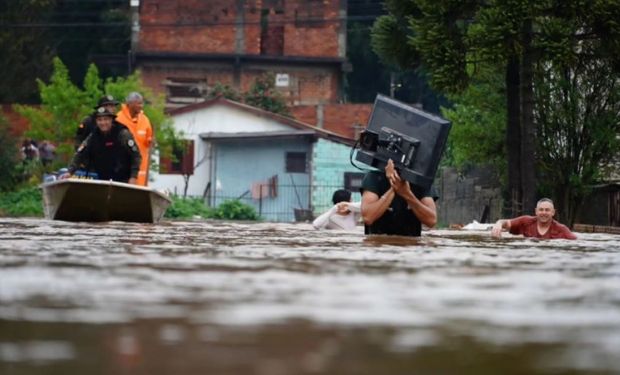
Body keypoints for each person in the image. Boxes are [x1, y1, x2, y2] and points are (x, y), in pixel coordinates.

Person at [62, 107, 141, 184]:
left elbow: (136, 155)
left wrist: (133, 177)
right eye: (100, 120)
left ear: (111, 120)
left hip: (123, 180)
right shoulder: (93, 136)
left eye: (106, 119)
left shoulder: (122, 134)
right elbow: (80, 153)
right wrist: (70, 172)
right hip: (103, 179)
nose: (103, 123)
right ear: (96, 121)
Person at [361, 159, 437, 236]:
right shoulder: (374, 178)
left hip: (411, 245)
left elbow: (431, 220)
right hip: (378, 245)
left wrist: (407, 194)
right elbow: (368, 217)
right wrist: (394, 187)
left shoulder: (420, 182)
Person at [491, 198, 577, 240]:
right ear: (536, 211)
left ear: (553, 212)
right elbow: (506, 223)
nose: (543, 213)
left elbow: (576, 242)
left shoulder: (562, 230)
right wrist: (499, 224)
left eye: (547, 210)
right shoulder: (525, 221)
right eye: (541, 210)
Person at [116, 92, 153, 186]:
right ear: (130, 104)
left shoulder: (145, 120)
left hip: (141, 166)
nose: (141, 106)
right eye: (139, 103)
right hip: (123, 166)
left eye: (142, 103)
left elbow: (149, 139)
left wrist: (150, 141)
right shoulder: (118, 118)